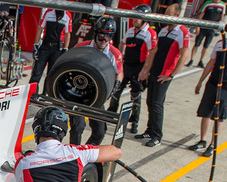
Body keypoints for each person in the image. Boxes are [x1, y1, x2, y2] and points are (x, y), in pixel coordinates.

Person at [135, 2, 190, 147]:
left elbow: (184, 55)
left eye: (169, 15)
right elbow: (154, 51)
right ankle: (149, 130)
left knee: (157, 104)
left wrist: (171, 75)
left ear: (177, 16)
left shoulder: (183, 31)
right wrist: (147, 70)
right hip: (155, 71)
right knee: (150, 102)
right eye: (165, 14)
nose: (166, 17)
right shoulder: (163, 30)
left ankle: (157, 136)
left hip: (165, 74)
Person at [69, 16, 123, 146]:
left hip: (97, 94)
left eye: (109, 37)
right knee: (78, 127)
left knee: (100, 130)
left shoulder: (115, 54)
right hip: (79, 92)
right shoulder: (81, 47)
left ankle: (85, 153)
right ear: (96, 34)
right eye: (101, 37)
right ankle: (73, 156)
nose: (104, 40)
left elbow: (119, 73)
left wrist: (116, 84)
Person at [108, 4, 156, 135]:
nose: (134, 19)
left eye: (138, 17)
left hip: (139, 67)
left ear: (144, 19)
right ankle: (111, 112)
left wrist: (145, 70)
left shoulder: (150, 33)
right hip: (126, 65)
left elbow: (152, 52)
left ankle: (134, 121)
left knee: (135, 95)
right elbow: (122, 43)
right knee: (117, 89)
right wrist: (120, 56)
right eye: (134, 16)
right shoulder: (130, 30)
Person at [189, 37, 226, 158]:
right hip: (212, 83)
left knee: (219, 117)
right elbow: (211, 63)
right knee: (205, 113)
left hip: (225, 88)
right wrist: (200, 81)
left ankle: (212, 145)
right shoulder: (220, 44)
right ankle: (202, 140)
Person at [28, 8, 72, 94]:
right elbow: (40, 28)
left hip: (57, 49)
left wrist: (65, 49)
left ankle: (45, 94)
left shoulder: (68, 15)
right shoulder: (48, 12)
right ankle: (32, 94)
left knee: (51, 74)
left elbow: (67, 34)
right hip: (45, 46)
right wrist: (36, 45)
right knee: (36, 72)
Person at [185, 0, 226, 68]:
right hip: (203, 27)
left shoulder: (223, 5)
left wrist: (220, 26)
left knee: (206, 46)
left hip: (212, 29)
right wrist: (198, 27)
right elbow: (200, 16)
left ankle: (201, 60)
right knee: (197, 44)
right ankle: (191, 59)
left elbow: (222, 16)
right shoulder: (207, 3)